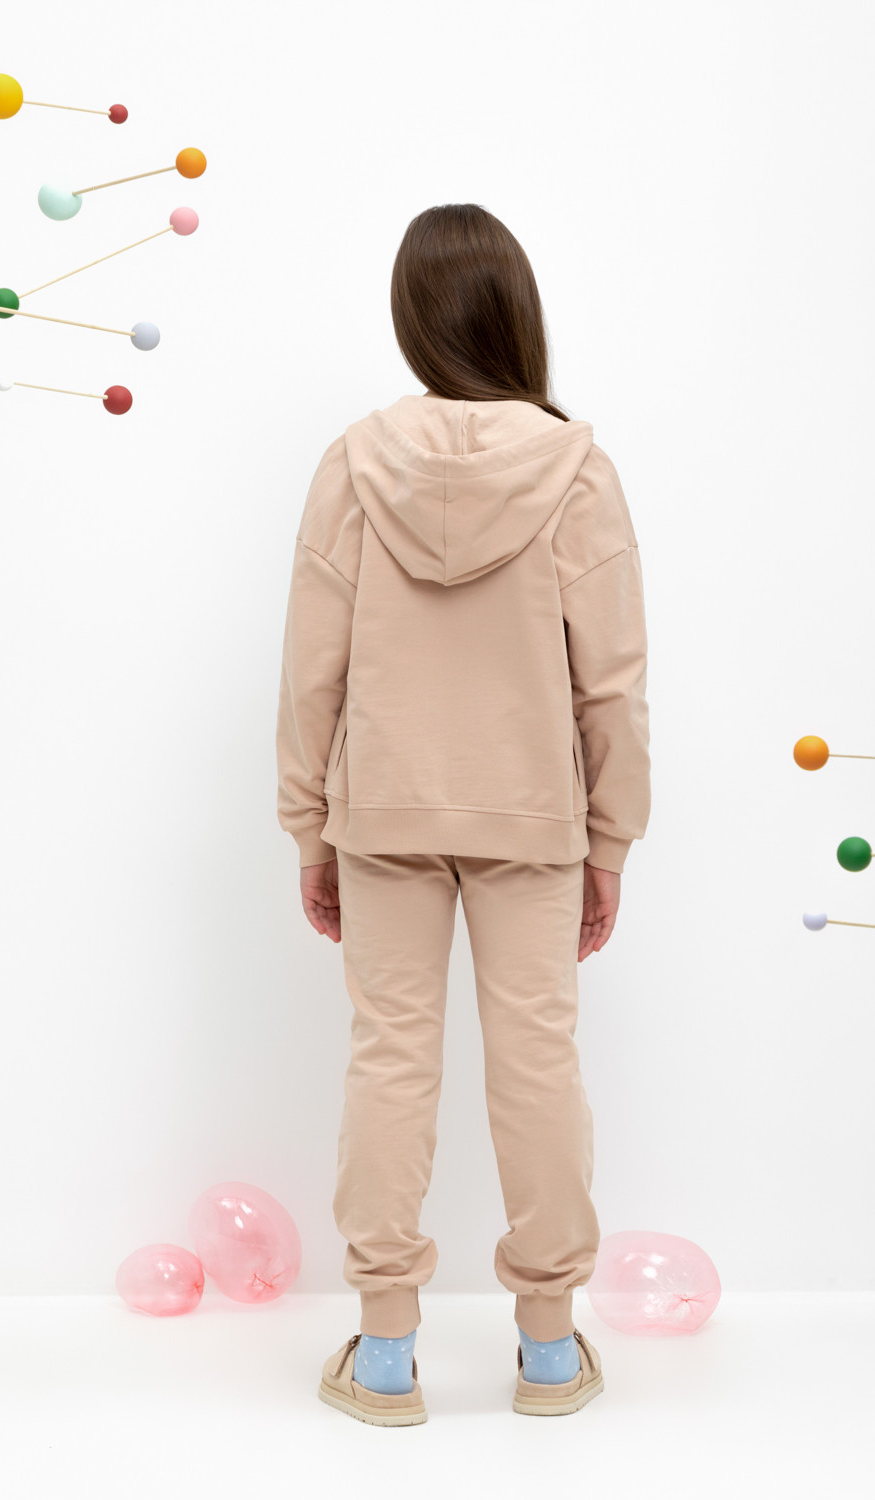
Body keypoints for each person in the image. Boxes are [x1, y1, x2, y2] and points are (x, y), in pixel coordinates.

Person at [276, 203, 651, 1425]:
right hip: (532, 811)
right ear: (514, 315)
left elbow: (311, 667)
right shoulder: (574, 467)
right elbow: (612, 679)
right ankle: (547, 1351)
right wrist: (610, 838)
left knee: (389, 1057)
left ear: (413, 320)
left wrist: (309, 824)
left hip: (382, 806)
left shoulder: (354, 462)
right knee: (537, 1059)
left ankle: (386, 1352)